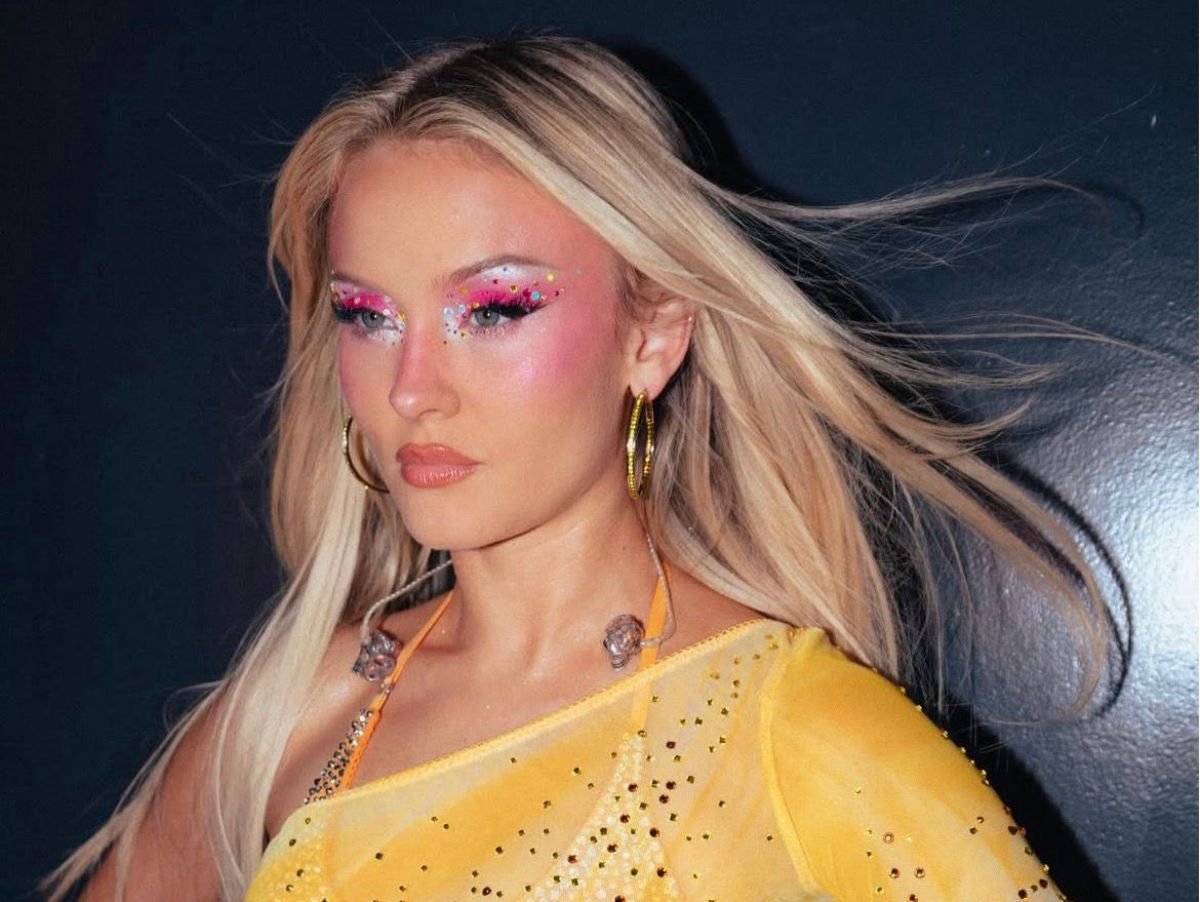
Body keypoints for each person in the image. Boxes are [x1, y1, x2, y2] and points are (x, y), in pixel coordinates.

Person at [50, 36, 1109, 901]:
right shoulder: (296, 704)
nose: (413, 388)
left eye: (494, 308)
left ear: (653, 334)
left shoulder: (795, 730)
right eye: (369, 315)